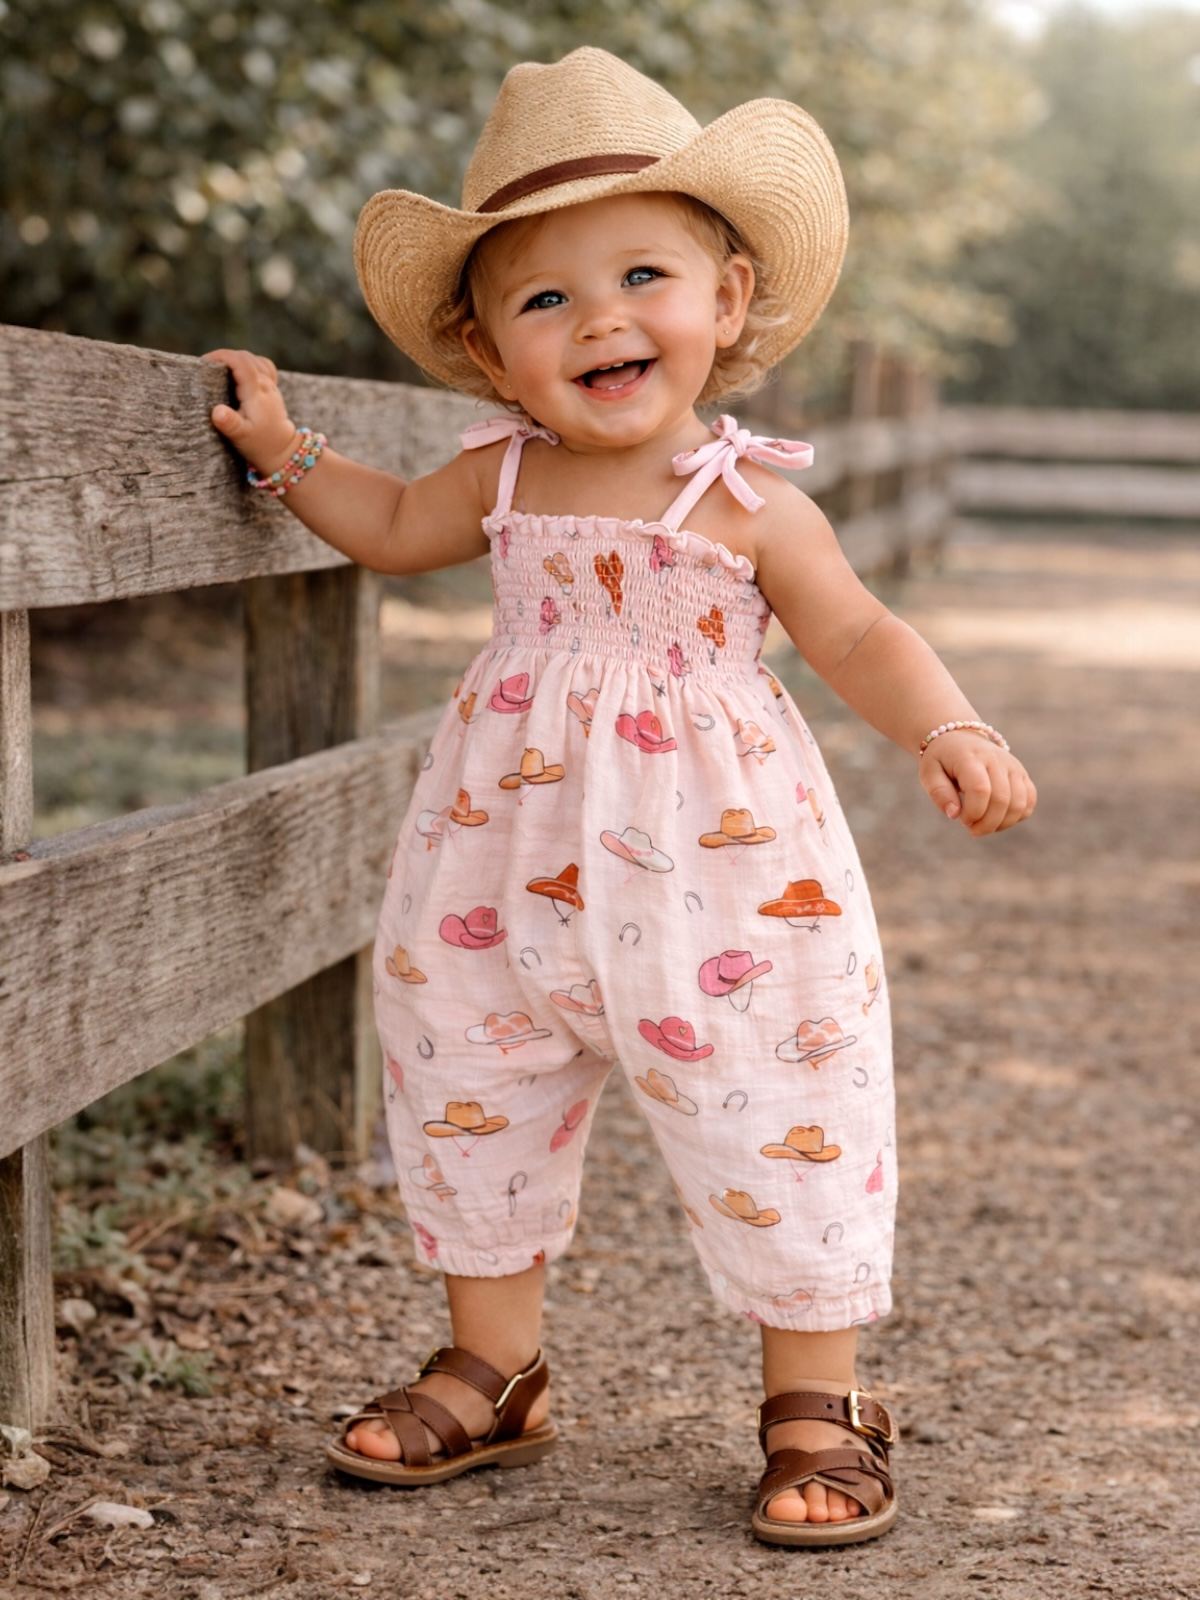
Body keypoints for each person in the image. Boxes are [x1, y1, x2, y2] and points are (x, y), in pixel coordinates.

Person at [204, 47, 1035, 1547]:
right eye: (546, 298)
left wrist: (948, 722)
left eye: (643, 273)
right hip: (493, 859)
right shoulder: (498, 481)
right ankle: (492, 1361)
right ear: (488, 349)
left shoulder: (751, 503)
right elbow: (389, 530)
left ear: (725, 301)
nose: (601, 317)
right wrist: (285, 458)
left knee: (783, 1086)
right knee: (469, 1078)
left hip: (726, 869)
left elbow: (855, 632)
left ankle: (817, 1396)